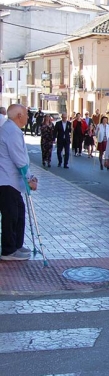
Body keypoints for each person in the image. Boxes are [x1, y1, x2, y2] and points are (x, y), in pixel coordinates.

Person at [0, 104, 38, 261]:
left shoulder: (12, 129)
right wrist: (29, 179)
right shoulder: (11, 132)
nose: (28, 117)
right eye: (26, 115)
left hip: (12, 181)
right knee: (11, 216)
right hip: (7, 180)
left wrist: (30, 176)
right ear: (19, 116)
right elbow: (19, 160)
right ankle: (8, 250)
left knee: (19, 212)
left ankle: (16, 245)